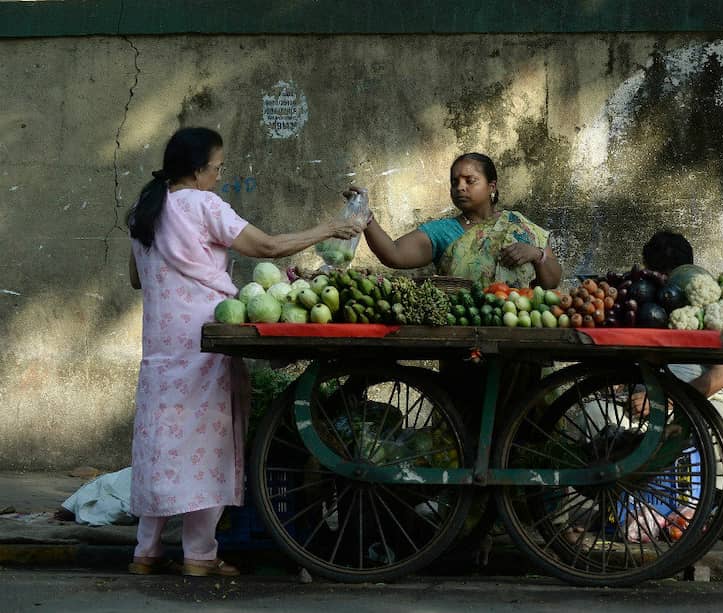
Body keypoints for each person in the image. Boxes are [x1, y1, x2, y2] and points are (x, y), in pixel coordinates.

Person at [125, 127, 365, 577]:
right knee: (204, 445)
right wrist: (330, 228)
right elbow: (268, 247)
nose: (219, 176)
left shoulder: (145, 209)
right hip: (206, 341)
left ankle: (146, 551)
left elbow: (137, 277)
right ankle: (199, 555)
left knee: (160, 444)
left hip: (160, 346)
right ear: (197, 170)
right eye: (217, 168)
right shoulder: (203, 206)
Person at [363, 152, 562, 289]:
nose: (460, 187)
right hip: (460, 328)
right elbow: (393, 254)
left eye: (470, 180)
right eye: (454, 182)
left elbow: (552, 281)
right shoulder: (441, 231)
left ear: (492, 186)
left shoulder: (519, 226)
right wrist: (366, 217)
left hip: (517, 330)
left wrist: (537, 255)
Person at [635, 230, 723, 461]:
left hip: (700, 398)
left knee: (718, 435)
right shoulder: (642, 303)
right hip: (646, 399)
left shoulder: (714, 309)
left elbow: (721, 376)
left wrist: (667, 400)